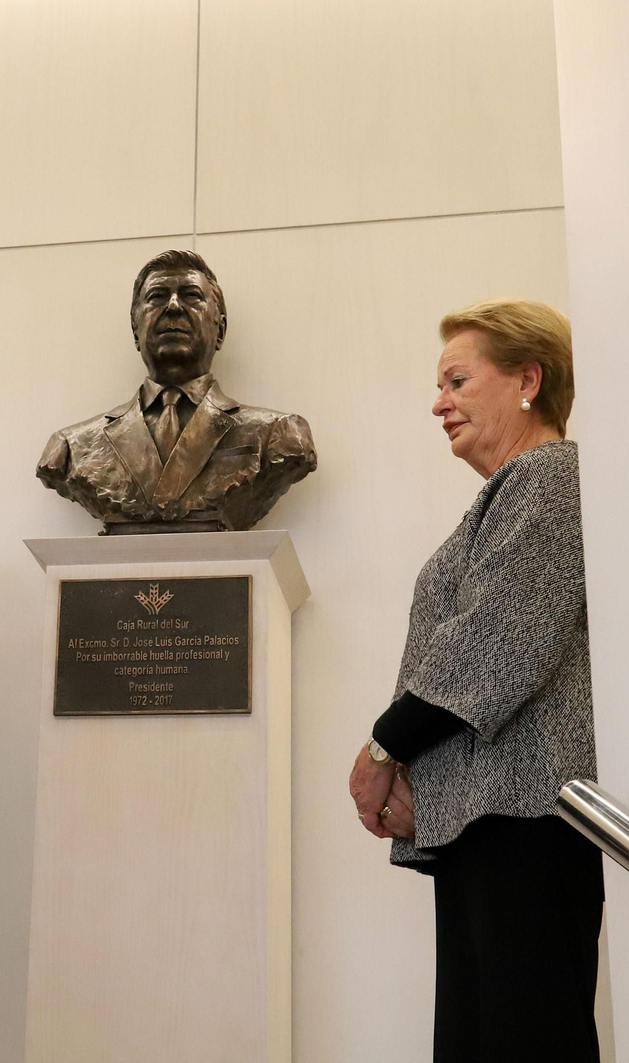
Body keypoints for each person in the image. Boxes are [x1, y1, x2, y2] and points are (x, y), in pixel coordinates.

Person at [347, 299, 599, 1061]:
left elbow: (498, 638)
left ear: (529, 378)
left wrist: (385, 747)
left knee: (527, 1038)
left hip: (528, 817)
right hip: (482, 821)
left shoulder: (554, 477)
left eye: (457, 379)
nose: (438, 402)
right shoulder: (507, 492)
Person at [36, 249, 316, 532]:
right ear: (135, 330)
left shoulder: (277, 435)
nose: (172, 306)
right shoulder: (72, 447)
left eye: (191, 295)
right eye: (156, 296)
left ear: (220, 330)